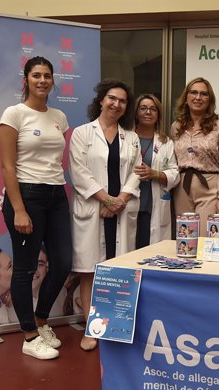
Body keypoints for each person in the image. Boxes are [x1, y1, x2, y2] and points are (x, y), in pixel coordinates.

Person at [0, 56, 72, 360]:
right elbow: (7, 165)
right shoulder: (14, 114)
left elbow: (56, 160)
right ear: (26, 79)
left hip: (56, 194)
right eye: (36, 75)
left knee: (63, 262)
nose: (42, 80)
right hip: (26, 196)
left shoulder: (59, 116)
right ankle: (29, 335)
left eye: (47, 76)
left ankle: (42, 321)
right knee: (26, 268)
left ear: (53, 80)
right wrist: (18, 208)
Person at [69, 79, 141, 351]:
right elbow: (78, 172)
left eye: (122, 101)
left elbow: (137, 171)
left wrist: (120, 200)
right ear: (101, 100)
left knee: (118, 269)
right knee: (90, 272)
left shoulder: (131, 137)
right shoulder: (82, 133)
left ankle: (115, 326)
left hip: (119, 212)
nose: (116, 104)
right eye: (112, 98)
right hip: (94, 211)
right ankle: (91, 329)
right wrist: (108, 200)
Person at [171, 77, 219, 234]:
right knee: (185, 236)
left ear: (209, 100)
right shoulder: (176, 127)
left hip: (209, 187)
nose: (198, 97)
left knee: (206, 237)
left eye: (203, 94)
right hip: (181, 188)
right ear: (186, 97)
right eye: (193, 93)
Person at [133, 94, 179, 248]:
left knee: (149, 250)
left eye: (153, 109)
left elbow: (175, 172)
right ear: (136, 112)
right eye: (143, 108)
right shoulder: (125, 138)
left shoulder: (165, 142)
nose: (148, 112)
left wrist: (156, 174)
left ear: (158, 114)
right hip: (128, 203)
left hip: (151, 204)